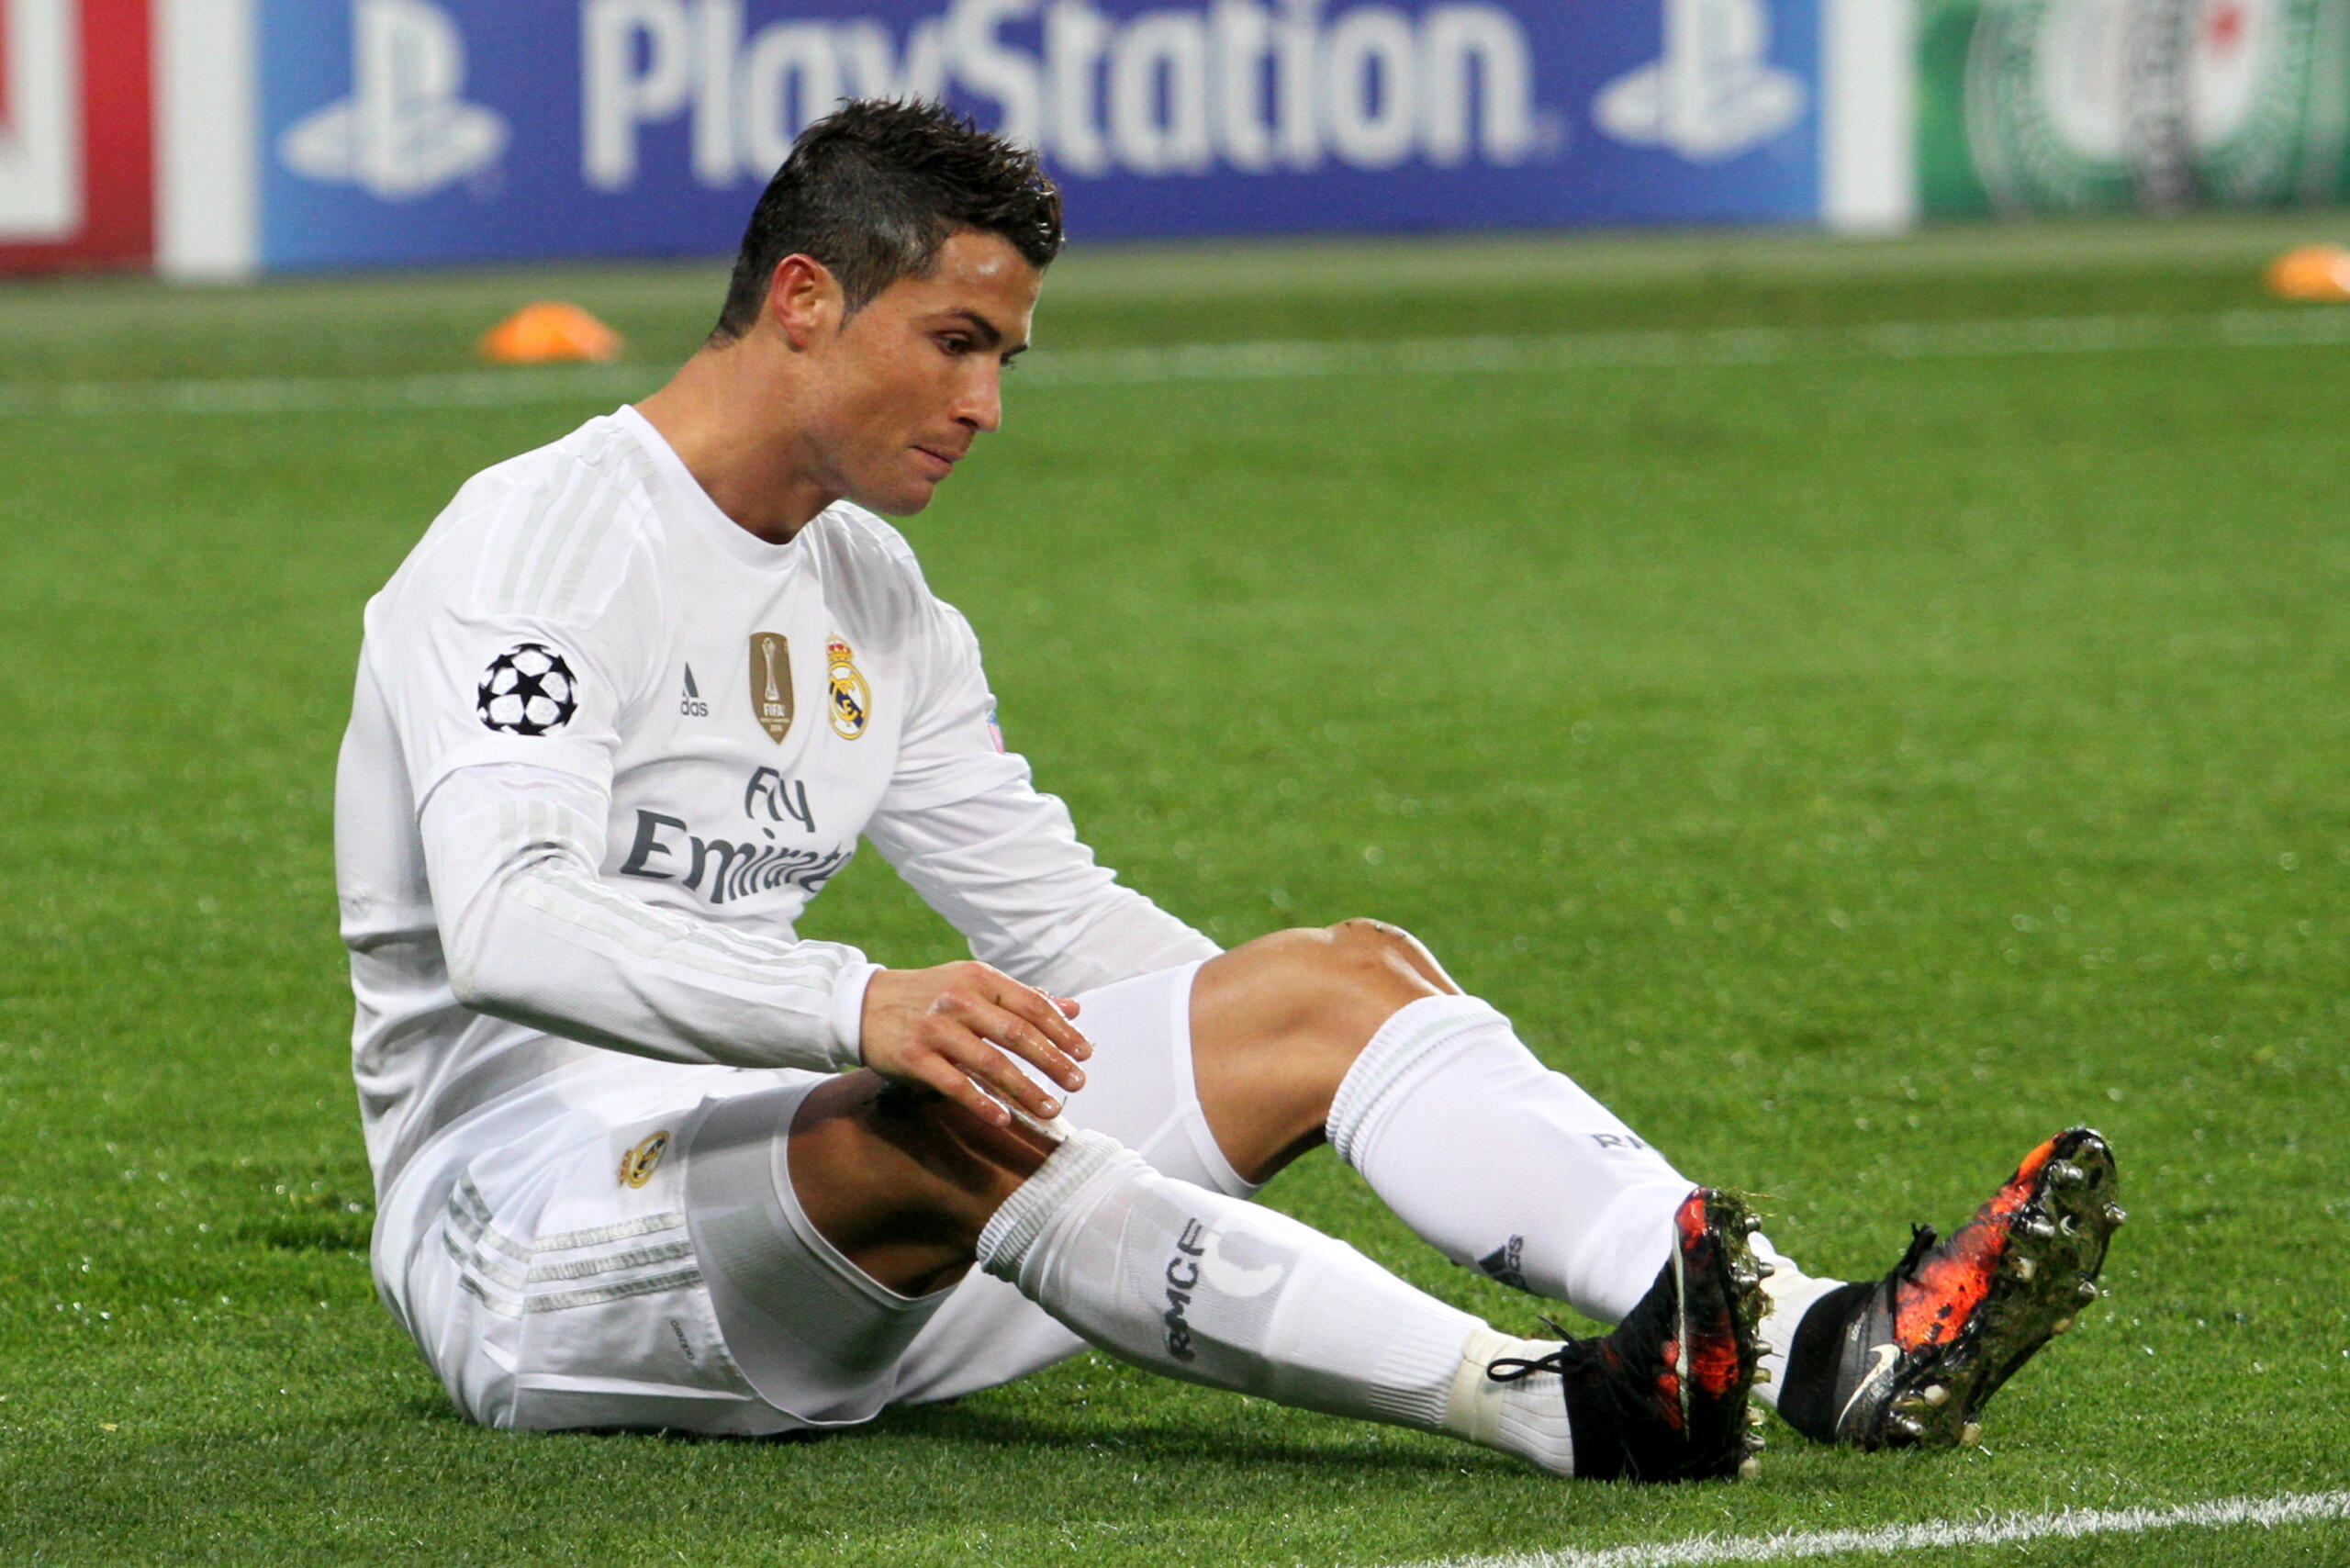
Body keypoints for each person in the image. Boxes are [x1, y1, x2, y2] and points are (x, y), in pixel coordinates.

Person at [334, 99, 2122, 1482]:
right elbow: (504, 919)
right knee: (948, 1100)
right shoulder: (542, 539)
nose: (986, 404)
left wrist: (1272, 1057)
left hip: (818, 1211)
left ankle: (1820, 1342)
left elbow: (1058, 918)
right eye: (954, 341)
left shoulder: (875, 595)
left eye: (1004, 359)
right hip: (538, 1226)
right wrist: (856, 998)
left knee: (1335, 977)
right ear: (804, 299)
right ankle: (1567, 1412)